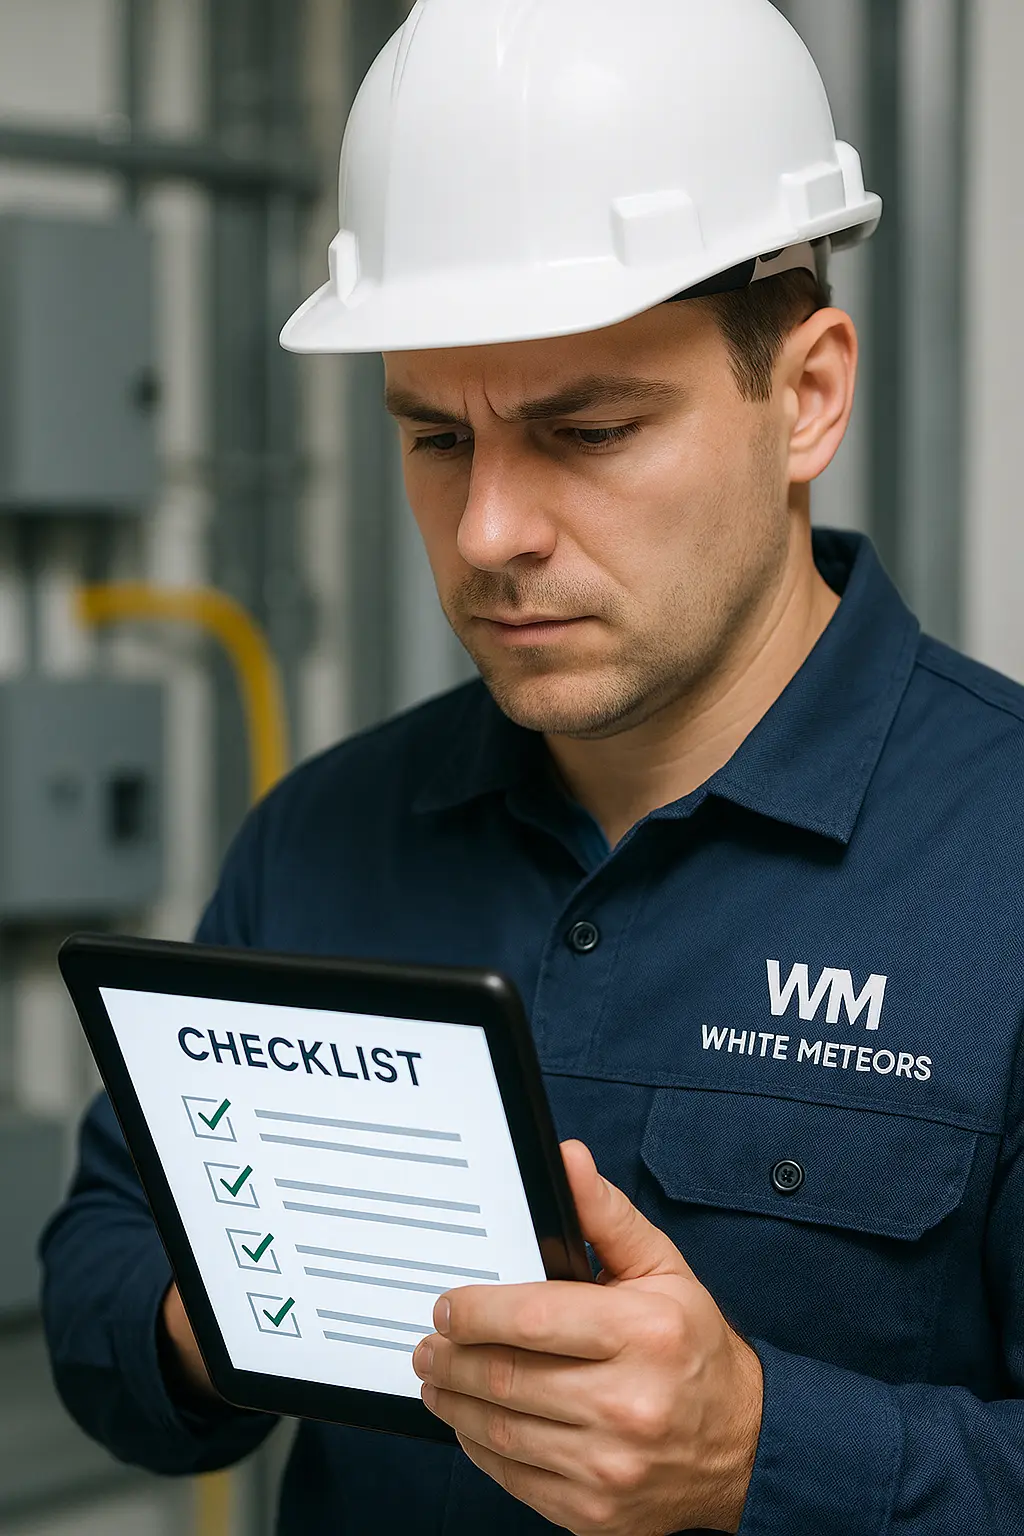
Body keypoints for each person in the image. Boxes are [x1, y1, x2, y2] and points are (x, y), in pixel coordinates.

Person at [40, 1, 1024, 1532]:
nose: (490, 532)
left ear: (807, 397)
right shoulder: (324, 834)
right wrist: (238, 1298)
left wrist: (760, 1450)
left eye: (589, 431)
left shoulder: (1001, 862)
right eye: (438, 440)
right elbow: (105, 1272)